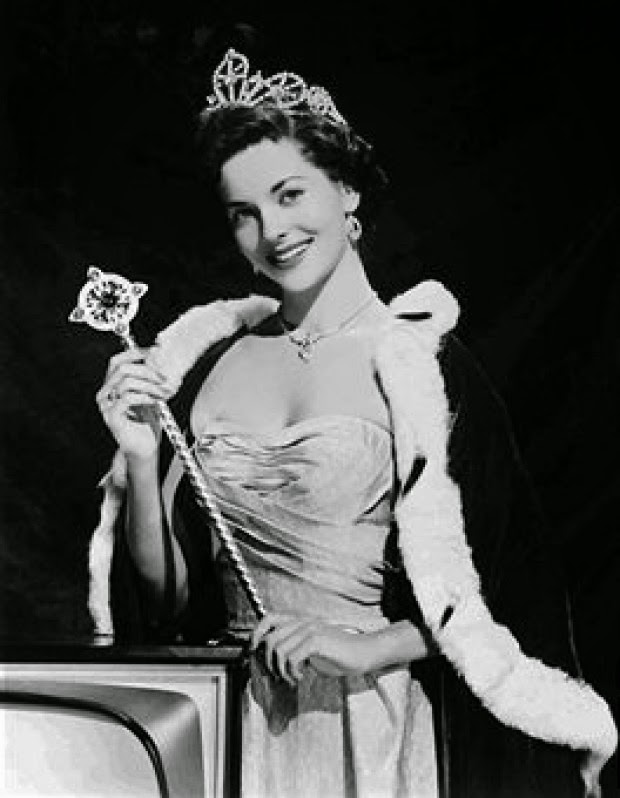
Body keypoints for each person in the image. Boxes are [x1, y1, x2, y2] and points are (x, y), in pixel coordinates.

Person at [90, 48, 616, 798]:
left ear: (346, 190)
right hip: (236, 724)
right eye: (245, 213)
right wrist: (142, 462)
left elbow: (507, 586)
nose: (272, 230)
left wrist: (369, 648)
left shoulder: (423, 367)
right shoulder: (214, 365)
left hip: (371, 726)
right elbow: (171, 602)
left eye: (290, 194)